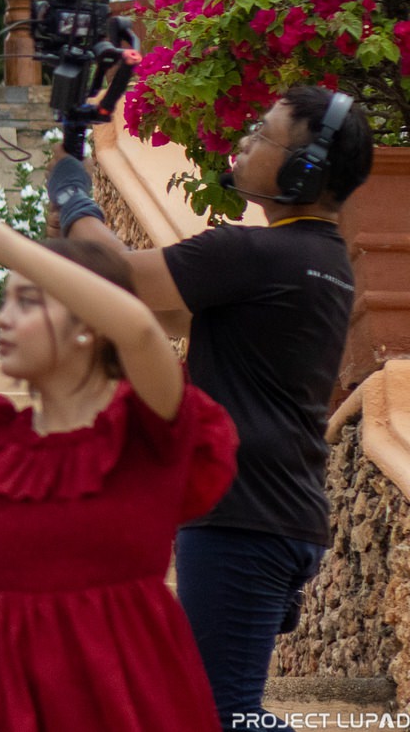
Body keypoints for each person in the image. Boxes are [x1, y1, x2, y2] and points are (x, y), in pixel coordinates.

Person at [0, 165, 237, 730]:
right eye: (6, 302)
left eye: (28, 302)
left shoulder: (148, 425)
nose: (3, 319)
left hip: (136, 698)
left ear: (89, 325)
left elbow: (140, 330)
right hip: (20, 700)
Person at [47, 86, 374, 729]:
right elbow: (152, 311)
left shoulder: (256, 254)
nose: (246, 140)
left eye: (265, 133)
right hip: (276, 513)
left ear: (305, 171)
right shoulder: (322, 261)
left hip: (243, 517)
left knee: (220, 715)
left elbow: (122, 274)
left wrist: (73, 194)